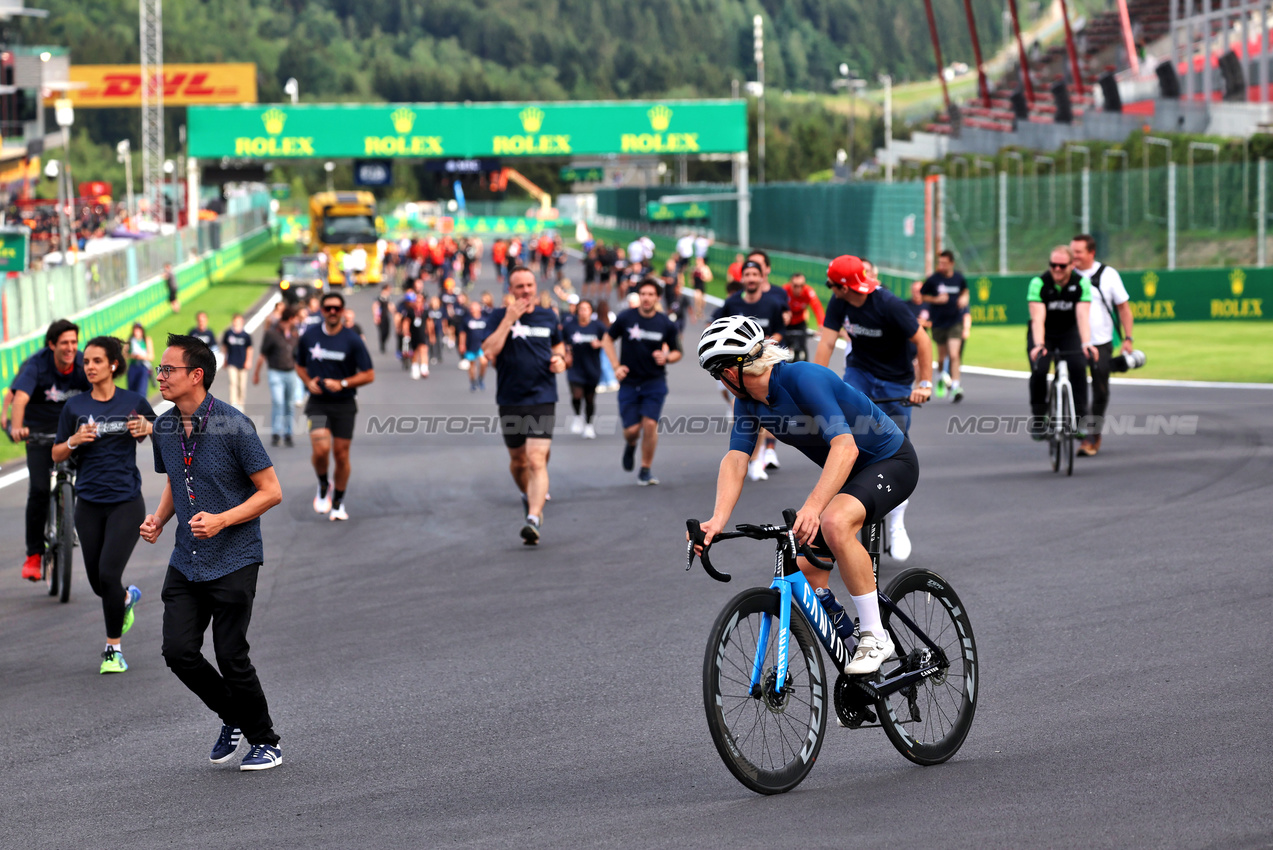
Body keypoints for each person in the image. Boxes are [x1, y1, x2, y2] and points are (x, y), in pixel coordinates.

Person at [693, 316, 919, 675]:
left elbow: (844, 447)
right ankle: (854, 654)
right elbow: (737, 459)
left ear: (739, 366)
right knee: (806, 574)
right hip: (851, 474)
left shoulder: (802, 378)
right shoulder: (749, 402)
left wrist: (814, 507)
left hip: (891, 461)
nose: (718, 380)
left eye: (718, 371)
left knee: (832, 521)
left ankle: (876, 636)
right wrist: (716, 521)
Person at [139, 333, 285, 771]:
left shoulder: (234, 425)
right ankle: (232, 714)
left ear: (196, 376)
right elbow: (175, 480)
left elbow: (271, 492)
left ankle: (267, 741)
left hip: (235, 555)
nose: (160, 377)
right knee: (177, 651)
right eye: (160, 369)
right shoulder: (165, 425)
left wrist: (222, 519)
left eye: (168, 370)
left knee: (230, 654)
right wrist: (161, 519)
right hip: (187, 558)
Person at [813, 255, 932, 561]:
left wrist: (925, 384)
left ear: (843, 285)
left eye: (831, 283)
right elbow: (826, 344)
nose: (829, 288)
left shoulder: (888, 304)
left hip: (895, 382)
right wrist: (811, 387)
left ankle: (896, 521)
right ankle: (848, 513)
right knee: (847, 437)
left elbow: (923, 340)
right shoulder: (839, 303)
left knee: (896, 449)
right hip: (860, 373)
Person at [53, 336, 153, 673]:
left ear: (113, 364)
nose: (90, 367)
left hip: (126, 501)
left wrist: (147, 427)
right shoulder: (75, 407)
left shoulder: (134, 400)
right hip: (89, 502)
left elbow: (164, 431)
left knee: (109, 573)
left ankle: (113, 650)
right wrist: (73, 440)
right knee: (99, 582)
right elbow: (56, 454)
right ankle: (125, 598)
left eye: (97, 361)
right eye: (86, 362)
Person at [482, 266, 566, 545]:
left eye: (530, 285)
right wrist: (508, 320)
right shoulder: (497, 316)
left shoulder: (548, 316)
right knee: (519, 462)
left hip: (542, 396)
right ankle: (528, 494)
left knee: (535, 459)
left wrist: (560, 361)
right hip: (510, 399)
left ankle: (533, 518)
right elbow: (489, 351)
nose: (526, 291)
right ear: (511, 289)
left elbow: (559, 349)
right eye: (520, 286)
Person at [9, 319, 90, 581]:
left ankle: (73, 522)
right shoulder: (37, 364)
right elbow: (20, 398)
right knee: (40, 490)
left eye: (74, 342)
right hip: (40, 432)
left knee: (92, 478)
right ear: (51, 344)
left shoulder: (83, 364)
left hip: (73, 430)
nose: (70, 348)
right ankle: (33, 555)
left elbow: (100, 391)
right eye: (64, 343)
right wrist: (18, 427)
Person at [295, 292, 376, 521]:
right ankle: (323, 484)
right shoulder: (309, 337)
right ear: (322, 311)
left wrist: (343, 383)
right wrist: (308, 381)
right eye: (328, 308)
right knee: (320, 449)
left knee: (341, 455)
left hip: (344, 404)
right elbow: (299, 365)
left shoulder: (352, 340)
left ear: (342, 311)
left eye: (336, 308)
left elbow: (369, 374)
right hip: (318, 403)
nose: (332, 312)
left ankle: (338, 503)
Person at [601, 278, 682, 485]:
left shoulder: (666, 323)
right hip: (629, 382)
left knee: (649, 424)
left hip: (654, 381)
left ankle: (645, 468)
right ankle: (630, 444)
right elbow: (607, 339)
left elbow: (677, 352)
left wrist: (667, 358)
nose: (646, 298)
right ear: (639, 296)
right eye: (643, 294)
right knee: (631, 430)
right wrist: (616, 366)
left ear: (657, 297)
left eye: (650, 294)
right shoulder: (626, 318)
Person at [1070, 234, 1144, 456]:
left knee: (1100, 387)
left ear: (1091, 253)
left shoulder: (1108, 275)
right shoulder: (1066, 275)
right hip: (1073, 341)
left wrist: (1127, 339)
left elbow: (1123, 308)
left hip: (1101, 341)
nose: (1074, 257)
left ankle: (1093, 434)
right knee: (1075, 384)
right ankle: (1082, 428)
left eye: (1078, 252)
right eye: (1072, 252)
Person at [716, 260, 788, 481]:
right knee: (744, 416)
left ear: (761, 276)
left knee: (761, 414)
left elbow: (780, 333)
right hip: (735, 368)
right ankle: (742, 459)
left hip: (762, 367)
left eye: (754, 274)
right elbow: (716, 330)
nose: (751, 278)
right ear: (742, 278)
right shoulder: (731, 303)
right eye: (747, 274)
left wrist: (762, 348)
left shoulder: (772, 304)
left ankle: (756, 461)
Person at [1027, 246, 1098, 440]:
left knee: (1078, 367)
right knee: (1040, 370)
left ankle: (1081, 420)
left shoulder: (1081, 283)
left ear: (1072, 265)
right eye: (1053, 265)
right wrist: (1039, 345)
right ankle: (1040, 419)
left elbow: (1083, 317)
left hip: (1069, 332)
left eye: (1062, 265)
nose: (1057, 269)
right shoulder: (1039, 283)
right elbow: (1038, 319)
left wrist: (1086, 344)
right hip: (1044, 333)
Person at [921, 250, 969, 402]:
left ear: (951, 263)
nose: (941, 266)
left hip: (955, 321)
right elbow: (922, 295)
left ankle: (955, 386)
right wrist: (936, 300)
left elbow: (965, 291)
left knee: (954, 355)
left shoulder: (958, 278)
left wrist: (964, 298)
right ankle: (942, 376)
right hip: (939, 322)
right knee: (941, 358)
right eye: (939, 263)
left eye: (944, 263)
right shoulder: (933, 279)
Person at [253, 306, 299, 448]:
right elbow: (262, 354)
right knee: (278, 402)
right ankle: (276, 432)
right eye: (296, 318)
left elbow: (299, 356)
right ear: (291, 318)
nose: (298, 321)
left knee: (289, 404)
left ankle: (288, 432)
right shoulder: (272, 333)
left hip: (291, 372)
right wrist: (256, 373)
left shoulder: (295, 334)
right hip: (275, 372)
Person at [562, 300, 606, 439]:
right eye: (581, 309)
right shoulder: (569, 326)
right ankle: (577, 417)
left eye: (586, 309)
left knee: (589, 399)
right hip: (575, 367)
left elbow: (609, 341)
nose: (583, 312)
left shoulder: (598, 326)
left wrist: (599, 343)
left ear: (591, 311)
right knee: (576, 395)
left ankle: (588, 425)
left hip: (592, 366)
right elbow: (560, 341)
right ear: (577, 311)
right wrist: (566, 351)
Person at [783, 273, 825, 362]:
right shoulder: (784, 291)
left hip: (800, 322)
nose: (798, 289)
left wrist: (821, 325)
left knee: (802, 347)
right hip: (786, 323)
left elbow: (817, 307)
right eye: (795, 286)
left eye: (801, 286)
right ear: (790, 284)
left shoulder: (808, 292)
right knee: (782, 348)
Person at [220, 313, 253, 411]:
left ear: (242, 322)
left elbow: (249, 349)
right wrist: (225, 359)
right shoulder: (228, 334)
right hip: (232, 362)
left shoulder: (246, 336)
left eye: (238, 321)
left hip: (242, 363)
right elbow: (224, 346)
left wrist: (248, 360)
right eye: (235, 321)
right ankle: (233, 404)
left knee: (242, 385)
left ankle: (240, 403)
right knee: (233, 382)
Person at [459, 299, 491, 392]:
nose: (472, 309)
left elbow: (489, 332)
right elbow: (462, 333)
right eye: (471, 308)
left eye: (474, 308)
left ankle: (481, 379)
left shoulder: (485, 319)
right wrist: (462, 344)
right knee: (472, 365)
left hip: (482, 346)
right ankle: (473, 381)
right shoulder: (466, 320)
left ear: (479, 309)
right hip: (470, 345)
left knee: (483, 362)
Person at [126, 322, 155, 397]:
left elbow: (151, 356)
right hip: (133, 366)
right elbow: (124, 354)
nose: (137, 332)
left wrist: (142, 356)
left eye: (138, 330)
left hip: (143, 367)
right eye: (135, 330)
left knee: (141, 391)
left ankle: (142, 407)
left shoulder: (146, 340)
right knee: (132, 391)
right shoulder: (130, 340)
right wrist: (132, 355)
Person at [373, 283, 396, 354]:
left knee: (387, 332)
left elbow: (390, 307)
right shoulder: (380, 298)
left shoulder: (388, 298)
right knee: (382, 332)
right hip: (381, 317)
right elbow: (375, 307)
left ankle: (384, 342)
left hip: (386, 317)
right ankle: (382, 344)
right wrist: (376, 317)